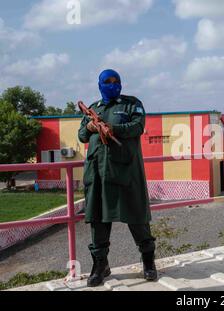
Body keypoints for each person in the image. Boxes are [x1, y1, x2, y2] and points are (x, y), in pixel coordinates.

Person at [78, 69, 157, 287]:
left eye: (117, 81)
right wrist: (91, 126)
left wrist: (112, 128)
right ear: (100, 84)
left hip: (126, 172)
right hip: (97, 173)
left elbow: (137, 127)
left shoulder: (132, 104)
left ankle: (148, 262)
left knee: (137, 218)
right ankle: (100, 266)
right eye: (108, 81)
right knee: (98, 220)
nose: (113, 85)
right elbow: (82, 135)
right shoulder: (93, 108)